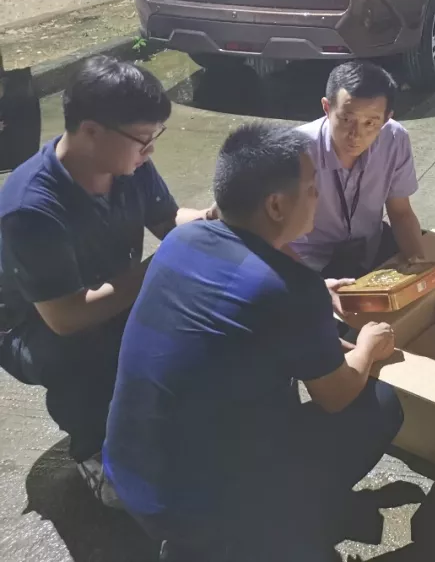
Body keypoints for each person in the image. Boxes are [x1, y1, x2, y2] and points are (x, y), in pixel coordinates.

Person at [103, 122, 403, 561]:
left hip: (130, 472)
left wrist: (316, 317)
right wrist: (369, 346)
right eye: (312, 188)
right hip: (197, 506)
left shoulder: (182, 240)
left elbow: (241, 324)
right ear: (276, 205)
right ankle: (267, 535)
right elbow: (336, 395)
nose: (318, 197)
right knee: (379, 403)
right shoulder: (290, 290)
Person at [0, 57, 211, 501]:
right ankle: (94, 450)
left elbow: (168, 219)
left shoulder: (127, 164)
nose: (149, 150)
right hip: (34, 327)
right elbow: (66, 317)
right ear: (91, 131)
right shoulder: (31, 207)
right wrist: (165, 263)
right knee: (84, 348)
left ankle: (156, 413)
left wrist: (215, 219)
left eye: (155, 137)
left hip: (103, 291)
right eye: (143, 139)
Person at [292, 60, 424, 279]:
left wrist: (420, 267)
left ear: (387, 118)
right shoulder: (296, 150)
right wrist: (311, 286)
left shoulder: (395, 139)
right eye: (346, 119)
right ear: (327, 108)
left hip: (369, 253)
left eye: (370, 123)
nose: (356, 134)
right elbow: (271, 234)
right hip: (310, 263)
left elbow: (401, 213)